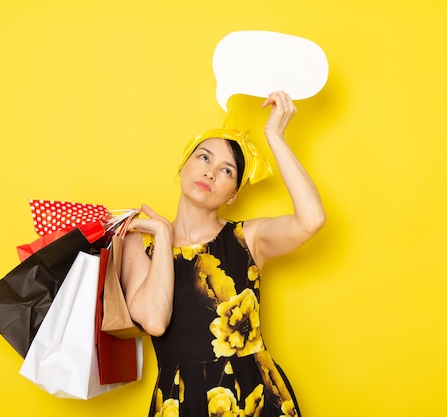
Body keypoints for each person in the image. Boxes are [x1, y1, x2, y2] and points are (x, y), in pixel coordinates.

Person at [121, 90, 326, 416]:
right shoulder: (140, 242)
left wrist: (275, 135)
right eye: (203, 157)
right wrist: (162, 235)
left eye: (227, 170)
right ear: (183, 165)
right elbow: (154, 321)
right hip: (181, 401)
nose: (211, 172)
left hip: (253, 397)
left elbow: (312, 219)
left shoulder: (248, 237)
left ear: (233, 195)